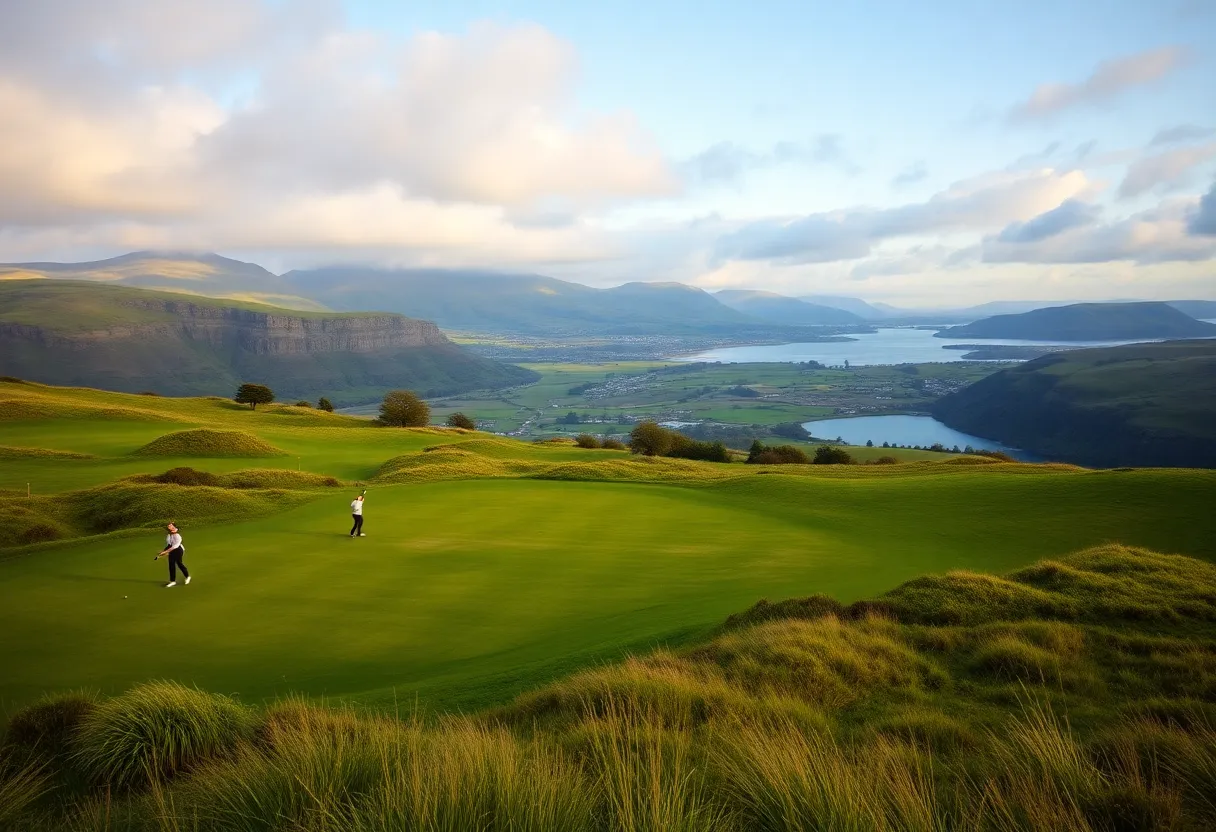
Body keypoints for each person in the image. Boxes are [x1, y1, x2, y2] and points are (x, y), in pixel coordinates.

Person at [154, 522, 190, 587]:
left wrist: (165, 552)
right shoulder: (169, 535)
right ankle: (172, 581)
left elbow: (175, 546)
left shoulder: (178, 535)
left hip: (178, 550)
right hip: (172, 550)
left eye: (170, 525)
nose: (169, 526)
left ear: (174, 526)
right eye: (168, 526)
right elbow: (169, 545)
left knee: (179, 563)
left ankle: (187, 577)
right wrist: (163, 552)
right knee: (171, 565)